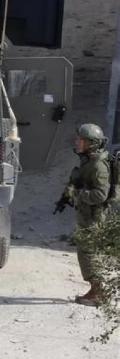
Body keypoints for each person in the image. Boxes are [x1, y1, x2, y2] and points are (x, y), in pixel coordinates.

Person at [58, 123, 111, 307]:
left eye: (81, 140)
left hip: (93, 217)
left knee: (89, 253)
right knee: (85, 251)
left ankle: (98, 292)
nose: (77, 142)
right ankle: (95, 290)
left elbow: (100, 195)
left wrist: (76, 193)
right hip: (87, 215)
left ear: (91, 143)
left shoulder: (98, 166)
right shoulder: (88, 161)